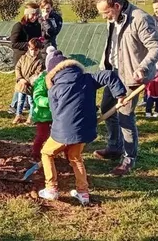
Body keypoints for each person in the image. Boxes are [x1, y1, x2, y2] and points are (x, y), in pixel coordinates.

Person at [38, 51, 126, 204]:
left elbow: (54, 113)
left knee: (46, 153)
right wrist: (120, 95)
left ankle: (51, 188)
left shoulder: (54, 89)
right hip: (84, 128)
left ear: (53, 73)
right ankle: (83, 193)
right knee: (75, 157)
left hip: (63, 130)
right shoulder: (87, 79)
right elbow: (109, 75)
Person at [93, 0, 158, 176]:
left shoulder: (140, 19)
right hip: (113, 73)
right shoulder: (113, 19)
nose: (104, 17)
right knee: (107, 108)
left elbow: (157, 46)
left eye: (106, 12)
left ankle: (128, 158)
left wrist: (143, 67)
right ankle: (114, 146)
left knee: (125, 116)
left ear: (117, 6)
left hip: (132, 75)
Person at [8, 2, 43, 114]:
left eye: (37, 15)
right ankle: (14, 105)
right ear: (27, 14)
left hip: (33, 57)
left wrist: (38, 44)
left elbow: (37, 40)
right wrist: (28, 45)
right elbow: (14, 43)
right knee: (21, 82)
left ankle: (25, 103)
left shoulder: (37, 26)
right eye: (32, 15)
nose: (35, 17)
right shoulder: (19, 26)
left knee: (30, 80)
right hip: (21, 58)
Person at [13, 39, 44, 125]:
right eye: (32, 49)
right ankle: (18, 115)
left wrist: (28, 81)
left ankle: (31, 117)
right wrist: (20, 78)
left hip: (31, 85)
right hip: (21, 84)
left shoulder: (40, 61)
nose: (34, 52)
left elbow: (37, 73)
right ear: (28, 48)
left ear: (39, 50)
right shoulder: (23, 57)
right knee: (20, 101)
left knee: (31, 102)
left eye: (36, 50)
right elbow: (17, 67)